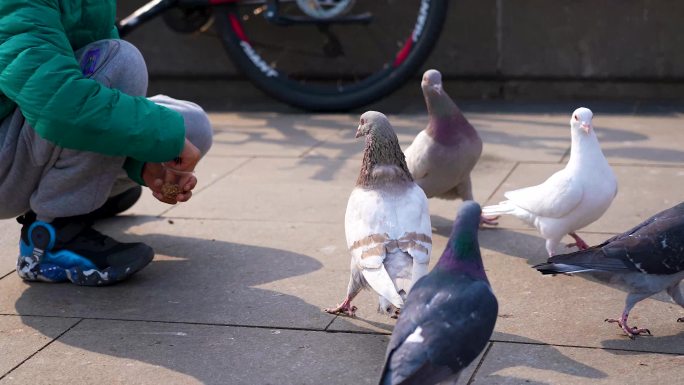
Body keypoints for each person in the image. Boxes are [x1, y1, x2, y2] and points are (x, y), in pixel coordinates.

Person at [0, 1, 213, 286]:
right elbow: (61, 106)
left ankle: (88, 197)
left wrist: (143, 160)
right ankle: (51, 239)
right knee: (121, 61)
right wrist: (158, 136)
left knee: (192, 127)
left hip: (26, 129)